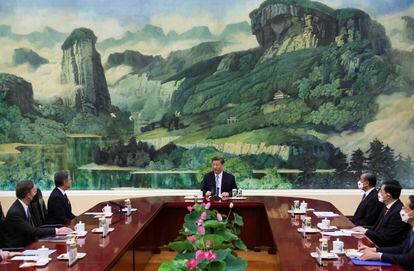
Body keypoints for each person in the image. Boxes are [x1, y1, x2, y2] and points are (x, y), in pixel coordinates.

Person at [4, 180, 72, 247]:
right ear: (28, 194)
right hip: (19, 248)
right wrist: (57, 230)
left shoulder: (25, 206)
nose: (36, 191)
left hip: (29, 244)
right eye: (34, 190)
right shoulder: (15, 213)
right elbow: (31, 232)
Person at [358, 195, 414, 269]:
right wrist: (375, 250)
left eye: (405, 208)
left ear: (412, 213)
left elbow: (409, 259)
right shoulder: (411, 228)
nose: (401, 209)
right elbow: (401, 248)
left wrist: (379, 256)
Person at [352, 180, 411, 247]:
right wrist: (361, 228)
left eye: (381, 191)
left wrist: (365, 231)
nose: (378, 193)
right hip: (377, 242)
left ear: (388, 196)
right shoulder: (386, 206)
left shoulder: (398, 212)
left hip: (386, 248)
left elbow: (386, 237)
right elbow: (377, 228)